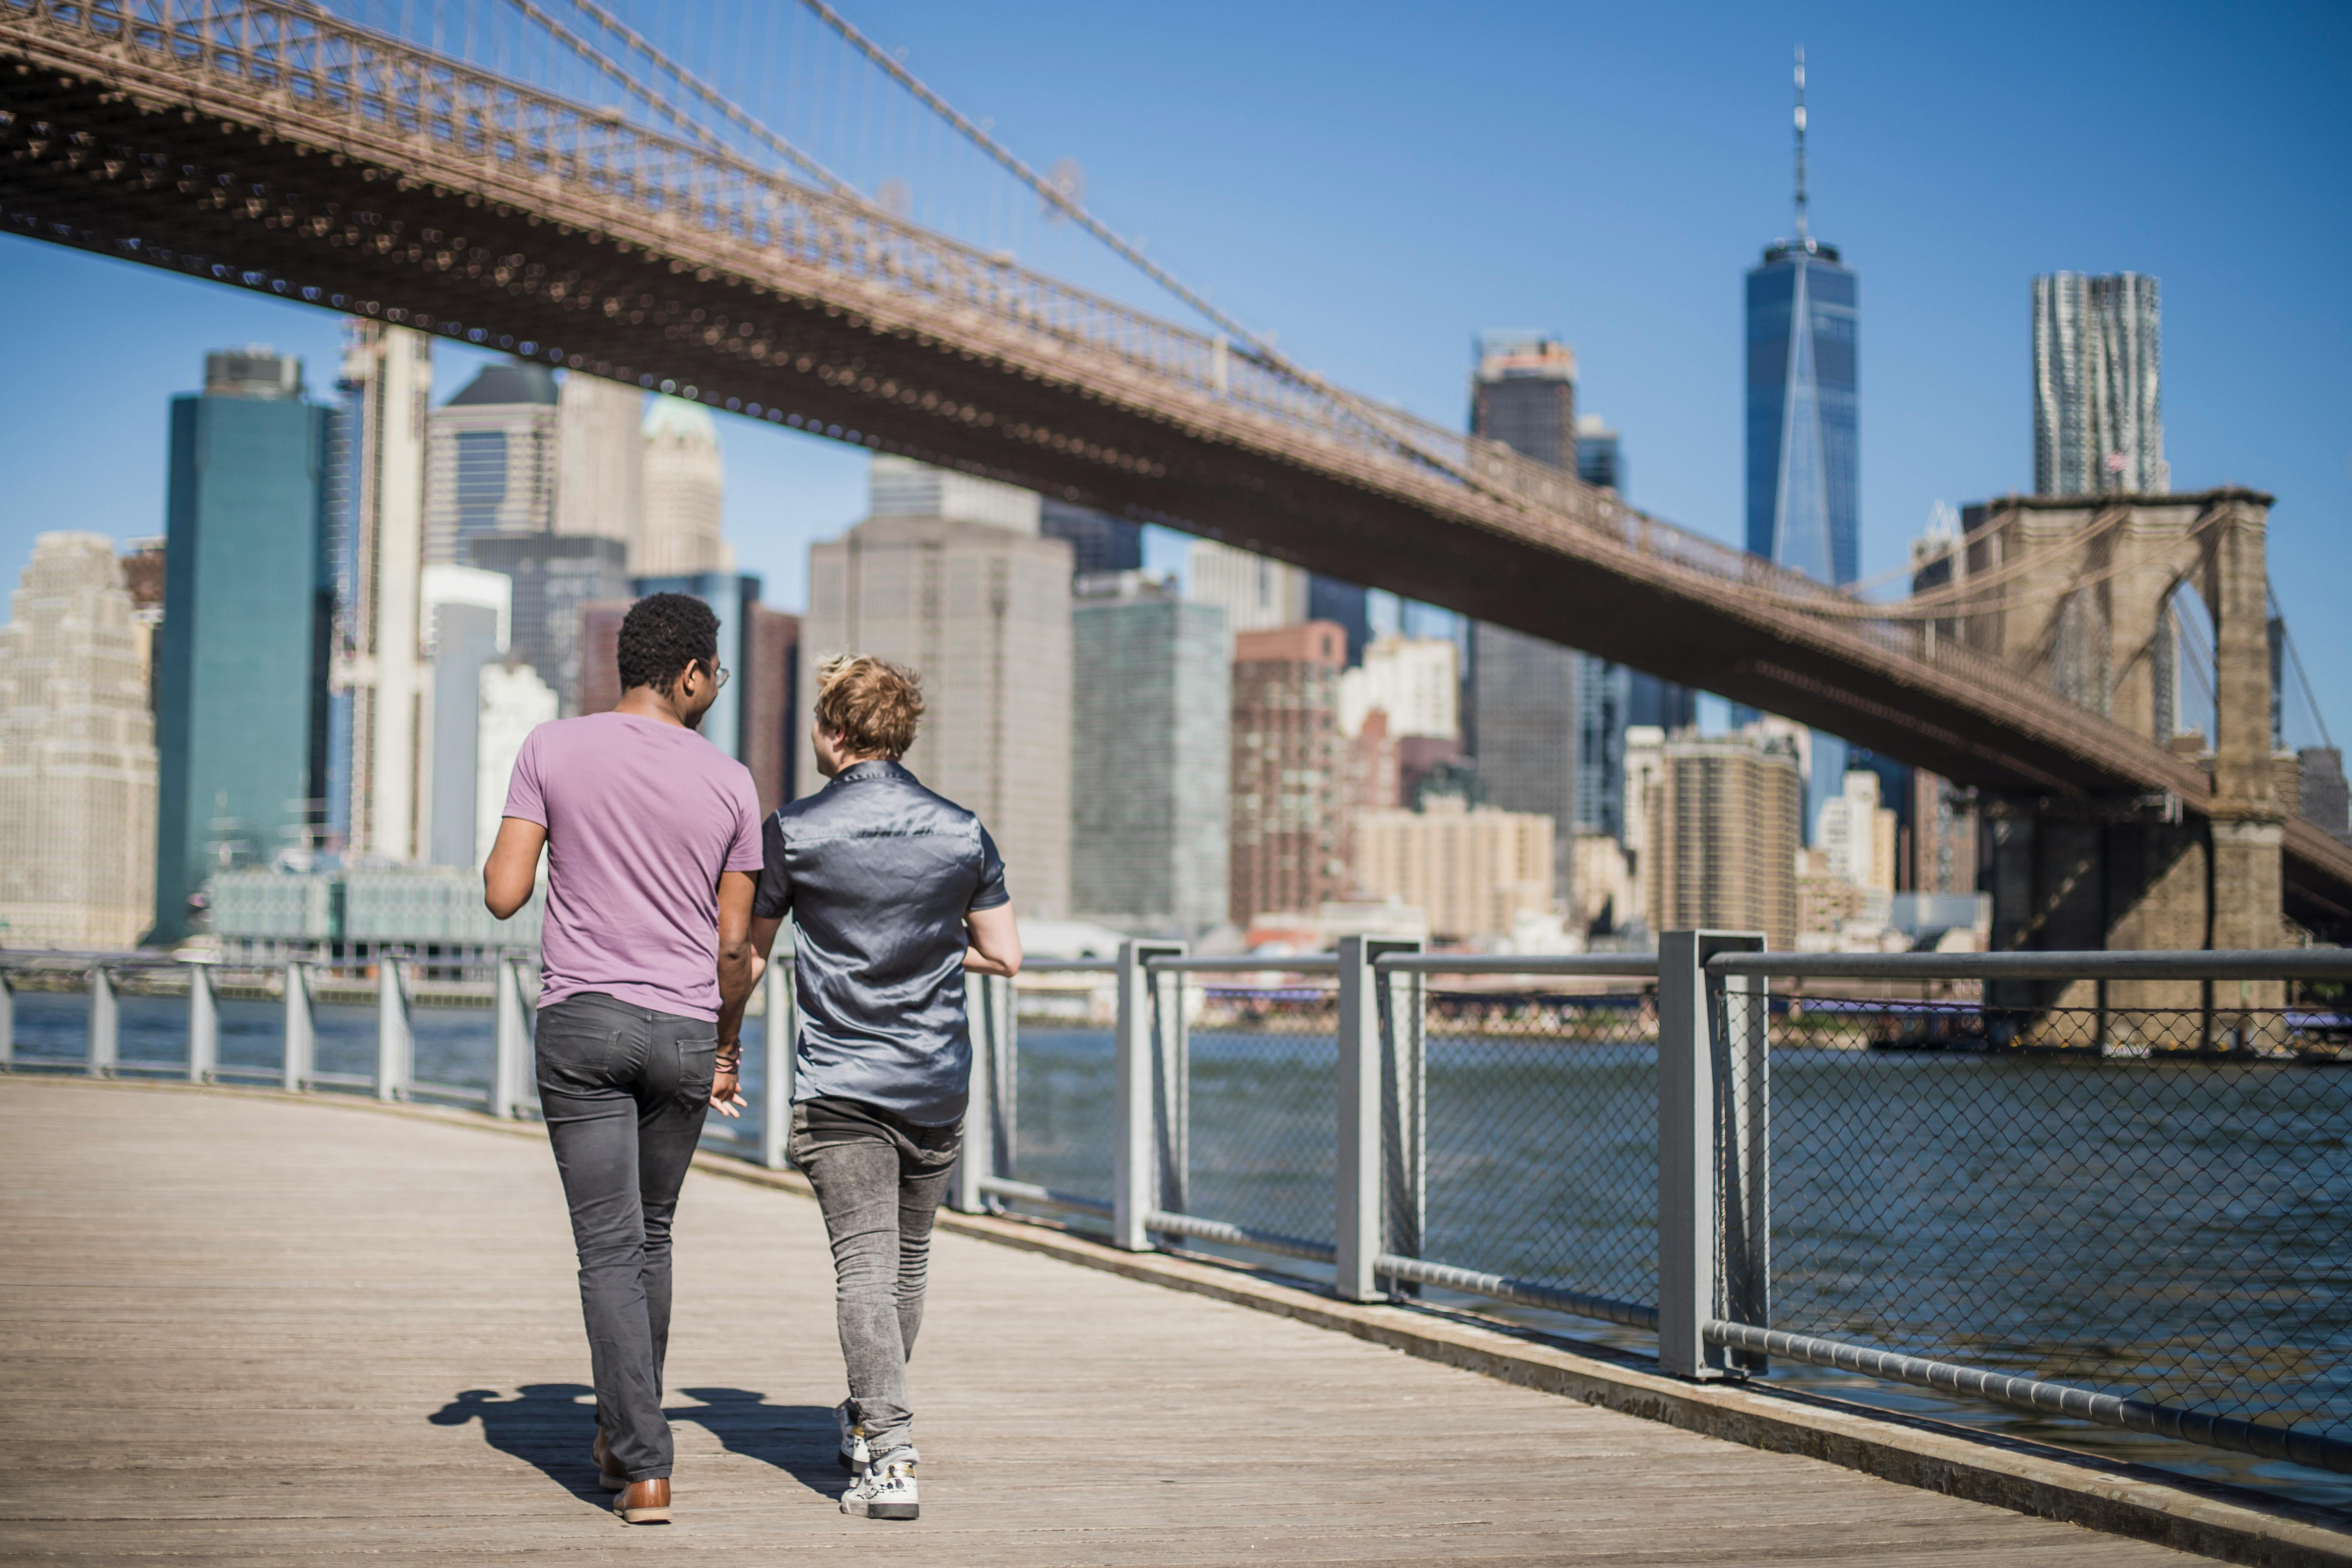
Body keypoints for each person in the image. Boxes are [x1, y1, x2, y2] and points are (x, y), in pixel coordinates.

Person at [482, 593, 765, 1527]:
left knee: (608, 1245)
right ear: (690, 674)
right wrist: (725, 1046)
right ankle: (625, 1437)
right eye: (715, 674)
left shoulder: (550, 747)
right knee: (651, 1236)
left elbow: (503, 891)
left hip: (584, 1020)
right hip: (684, 1030)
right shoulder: (732, 782)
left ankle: (642, 1461)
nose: (715, 688)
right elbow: (733, 947)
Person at [726, 655, 1021, 1523]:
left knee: (862, 1264)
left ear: (838, 732)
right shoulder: (963, 829)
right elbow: (1005, 953)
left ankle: (889, 1452)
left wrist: (722, 1046)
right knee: (906, 1261)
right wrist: (931, 951)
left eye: (820, 722)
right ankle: (867, 1424)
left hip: (843, 1081)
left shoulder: (796, 830)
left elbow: (746, 953)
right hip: (936, 1079)